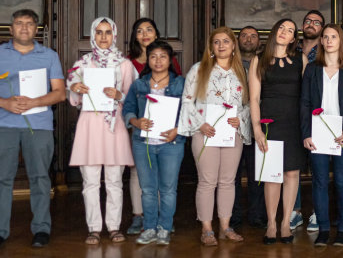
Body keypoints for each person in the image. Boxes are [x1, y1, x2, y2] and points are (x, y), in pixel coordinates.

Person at [178, 27, 250, 246]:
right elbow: (187, 100)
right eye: (216, 42)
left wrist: (241, 118)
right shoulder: (199, 70)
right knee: (207, 181)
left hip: (232, 133)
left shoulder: (241, 72)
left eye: (226, 41)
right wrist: (200, 124)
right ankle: (207, 229)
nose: (221, 45)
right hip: (205, 132)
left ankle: (226, 226)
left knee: (228, 181)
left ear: (233, 45)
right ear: (211, 46)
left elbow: (247, 104)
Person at [67, 17, 136, 245]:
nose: (104, 37)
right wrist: (75, 87)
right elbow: (74, 99)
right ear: (92, 35)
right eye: (99, 32)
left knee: (115, 180)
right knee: (90, 182)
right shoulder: (83, 63)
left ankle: (114, 227)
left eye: (108, 32)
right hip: (90, 126)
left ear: (114, 35)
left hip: (114, 126)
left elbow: (134, 100)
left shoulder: (124, 65)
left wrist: (120, 96)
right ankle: (94, 228)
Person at [0, 9, 65, 248]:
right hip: (4, 123)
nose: (24, 28)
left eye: (29, 24)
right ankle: (1, 230)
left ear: (36, 30)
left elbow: (60, 93)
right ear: (11, 28)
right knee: (2, 179)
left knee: (39, 178)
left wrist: (35, 102)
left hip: (38, 125)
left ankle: (41, 229)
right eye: (19, 23)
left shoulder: (48, 56)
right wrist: (4, 102)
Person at [301, 24, 343, 246]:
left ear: (340, 41)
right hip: (317, 133)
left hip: (342, 133)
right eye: (325, 37)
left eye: (333, 37)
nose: (328, 40)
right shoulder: (312, 70)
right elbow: (305, 103)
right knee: (319, 181)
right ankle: (324, 229)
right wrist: (306, 133)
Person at [249, 19, 308, 244]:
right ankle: (272, 223)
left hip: (294, 122)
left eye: (290, 31)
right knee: (272, 175)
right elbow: (254, 98)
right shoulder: (259, 59)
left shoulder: (300, 59)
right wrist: (256, 128)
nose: (285, 32)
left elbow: (307, 94)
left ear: (293, 38)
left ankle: (286, 223)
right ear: (275, 32)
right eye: (282, 28)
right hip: (269, 122)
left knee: (292, 173)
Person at [122, 40, 186, 245]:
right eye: (153, 56)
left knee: (168, 188)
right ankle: (149, 228)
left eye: (163, 56)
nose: (158, 61)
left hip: (171, 143)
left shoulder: (180, 84)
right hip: (144, 142)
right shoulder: (139, 84)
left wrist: (178, 130)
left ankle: (164, 228)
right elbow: (128, 108)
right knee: (148, 188)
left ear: (170, 60)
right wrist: (135, 121)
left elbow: (189, 111)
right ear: (148, 60)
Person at [292, 10, 325, 232]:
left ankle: (316, 212)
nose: (311, 24)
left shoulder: (325, 53)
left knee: (318, 168)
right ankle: (293, 212)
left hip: (317, 115)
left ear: (322, 28)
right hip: (291, 114)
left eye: (316, 22)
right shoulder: (290, 50)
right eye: (307, 21)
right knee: (292, 166)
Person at [231, 25, 266, 229]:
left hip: (256, 125)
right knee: (232, 175)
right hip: (233, 126)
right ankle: (233, 215)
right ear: (238, 40)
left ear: (259, 42)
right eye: (244, 35)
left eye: (253, 36)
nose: (248, 39)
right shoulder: (229, 63)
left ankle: (256, 215)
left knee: (257, 174)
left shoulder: (263, 64)